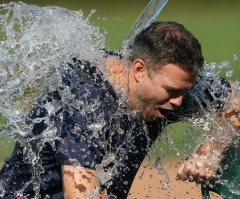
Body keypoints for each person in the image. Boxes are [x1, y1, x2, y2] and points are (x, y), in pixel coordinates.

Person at [0, 21, 236, 199]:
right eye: (172, 91)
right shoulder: (85, 101)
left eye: (185, 91)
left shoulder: (165, 90)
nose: (179, 102)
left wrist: (212, 149)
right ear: (139, 69)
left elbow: (235, 97)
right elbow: (83, 195)